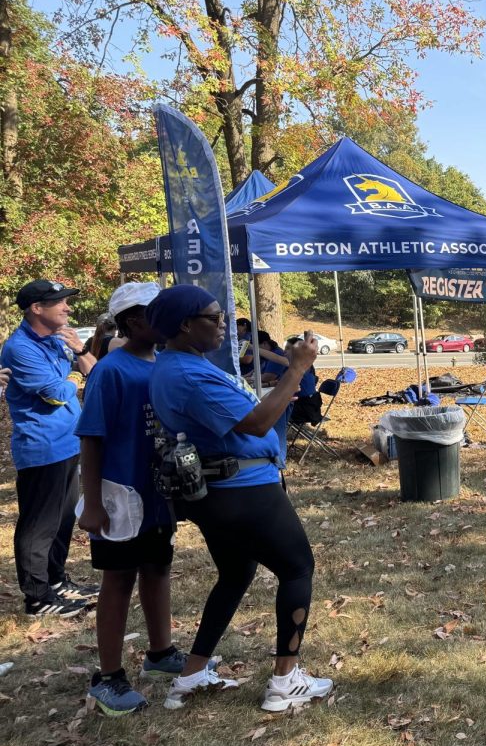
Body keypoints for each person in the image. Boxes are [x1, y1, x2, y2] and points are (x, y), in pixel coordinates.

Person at [145, 286, 333, 712]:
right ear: (185, 325)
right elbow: (257, 422)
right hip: (242, 491)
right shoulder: (188, 375)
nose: (223, 324)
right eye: (214, 318)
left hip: (224, 491)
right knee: (298, 567)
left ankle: (192, 673)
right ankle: (286, 680)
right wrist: (297, 369)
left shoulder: (183, 365)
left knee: (235, 574)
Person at [77, 282, 197, 716]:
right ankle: (108, 677)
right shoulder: (111, 371)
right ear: (132, 321)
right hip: (120, 498)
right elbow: (91, 440)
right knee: (118, 579)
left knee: (158, 567)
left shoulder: (165, 363)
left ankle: (161, 653)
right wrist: (92, 505)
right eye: (156, 313)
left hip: (157, 494)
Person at [2, 279, 99, 617]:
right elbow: (57, 393)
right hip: (42, 446)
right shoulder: (20, 348)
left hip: (69, 441)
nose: (67, 307)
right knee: (38, 525)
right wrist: (75, 378)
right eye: (59, 302)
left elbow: (95, 375)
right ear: (36, 309)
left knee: (63, 519)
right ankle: (37, 597)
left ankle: (57, 581)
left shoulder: (59, 340)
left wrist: (81, 353)